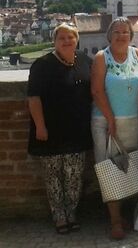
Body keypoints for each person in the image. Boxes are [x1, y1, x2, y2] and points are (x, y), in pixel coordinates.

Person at [27, 23, 92, 235]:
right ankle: (59, 216)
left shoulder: (84, 61)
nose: (66, 41)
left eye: (70, 37)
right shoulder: (42, 65)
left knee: (74, 176)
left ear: (77, 40)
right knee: (53, 177)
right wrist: (40, 126)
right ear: (54, 41)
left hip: (76, 129)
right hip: (50, 130)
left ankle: (71, 213)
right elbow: (34, 98)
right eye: (62, 38)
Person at [90, 17, 138, 240]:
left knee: (127, 166)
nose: (122, 35)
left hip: (131, 119)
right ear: (110, 35)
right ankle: (115, 220)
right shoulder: (101, 58)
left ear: (131, 35)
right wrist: (110, 119)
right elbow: (96, 91)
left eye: (125, 32)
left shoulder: (136, 54)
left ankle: (125, 215)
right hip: (105, 122)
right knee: (108, 168)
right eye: (117, 32)